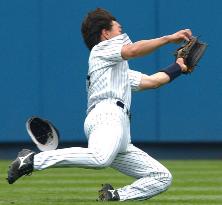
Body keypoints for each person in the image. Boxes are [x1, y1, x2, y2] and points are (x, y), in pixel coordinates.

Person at [7, 8, 192, 201]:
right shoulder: (101, 49)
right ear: (105, 33)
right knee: (100, 158)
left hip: (120, 131)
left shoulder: (116, 70)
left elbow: (154, 81)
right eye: (119, 29)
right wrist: (170, 38)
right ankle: (31, 160)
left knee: (161, 177)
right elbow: (134, 50)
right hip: (107, 115)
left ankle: (114, 195)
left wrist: (178, 67)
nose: (122, 34)